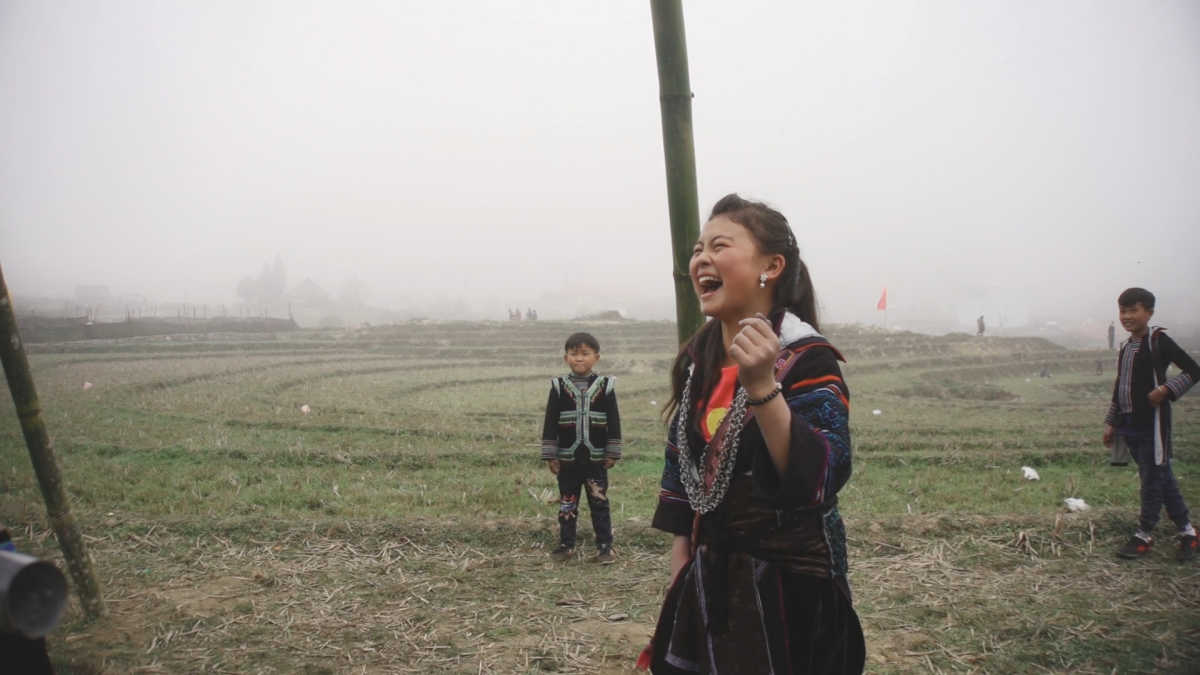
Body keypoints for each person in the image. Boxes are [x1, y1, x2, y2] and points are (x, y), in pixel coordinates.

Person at [641, 194, 864, 673]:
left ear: (771, 266)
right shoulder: (696, 362)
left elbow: (821, 476)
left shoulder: (806, 359)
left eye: (719, 245)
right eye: (698, 249)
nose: (701, 258)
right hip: (708, 582)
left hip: (791, 595)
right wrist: (681, 573)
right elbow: (683, 474)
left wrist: (762, 386)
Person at [1103, 288, 1200, 561]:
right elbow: (1119, 387)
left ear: (1149, 312)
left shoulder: (1158, 341)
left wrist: (1166, 390)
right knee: (1161, 476)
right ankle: (1188, 533)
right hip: (1129, 425)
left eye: (1133, 310)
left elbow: (1194, 370)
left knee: (1151, 479)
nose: (1127, 316)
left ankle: (1144, 534)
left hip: (1153, 425)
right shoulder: (1125, 347)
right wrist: (1111, 422)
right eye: (1123, 311)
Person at [540, 332, 622, 563]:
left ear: (596, 357)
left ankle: (605, 547)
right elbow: (550, 421)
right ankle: (566, 545)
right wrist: (551, 455)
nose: (579, 359)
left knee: (599, 502)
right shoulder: (558, 387)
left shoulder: (606, 387)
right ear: (566, 358)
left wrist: (612, 451)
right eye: (574, 354)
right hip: (567, 459)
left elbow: (614, 420)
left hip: (596, 459)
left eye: (585, 354)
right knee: (567, 502)